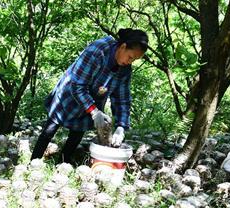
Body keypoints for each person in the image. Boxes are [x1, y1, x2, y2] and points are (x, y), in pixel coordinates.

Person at [32, 28, 148, 164]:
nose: (130, 62)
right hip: (69, 95)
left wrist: (121, 126)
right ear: (123, 47)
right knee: (50, 130)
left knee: (76, 136)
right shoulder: (97, 51)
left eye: (134, 60)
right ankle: (33, 162)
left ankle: (62, 165)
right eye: (130, 57)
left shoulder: (125, 70)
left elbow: (122, 99)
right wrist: (94, 111)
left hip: (93, 102)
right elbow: (77, 85)